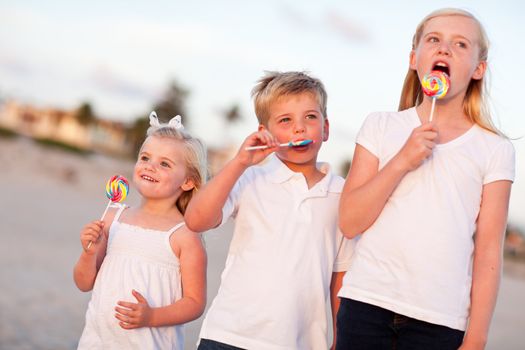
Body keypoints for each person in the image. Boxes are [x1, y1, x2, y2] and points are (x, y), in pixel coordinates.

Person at [336, 8, 515, 350]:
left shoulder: (494, 149)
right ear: (414, 58)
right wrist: (402, 160)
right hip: (365, 304)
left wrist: (476, 337)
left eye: (461, 44)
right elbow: (349, 221)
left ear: (479, 69)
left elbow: (489, 251)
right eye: (434, 40)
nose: (444, 49)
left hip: (441, 322)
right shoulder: (380, 126)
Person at [185, 71, 354, 350]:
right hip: (228, 335)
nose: (299, 128)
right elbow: (196, 219)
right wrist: (240, 162)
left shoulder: (342, 194)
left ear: (325, 128)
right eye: (285, 120)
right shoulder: (250, 178)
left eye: (310, 117)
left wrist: (340, 339)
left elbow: (341, 274)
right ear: (266, 132)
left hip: (298, 343)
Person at [73, 112, 208, 349]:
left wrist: (151, 316)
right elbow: (84, 283)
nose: (150, 166)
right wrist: (88, 252)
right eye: (145, 157)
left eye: (164, 163)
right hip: (97, 341)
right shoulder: (114, 217)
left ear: (187, 181)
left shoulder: (184, 235)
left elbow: (195, 302)